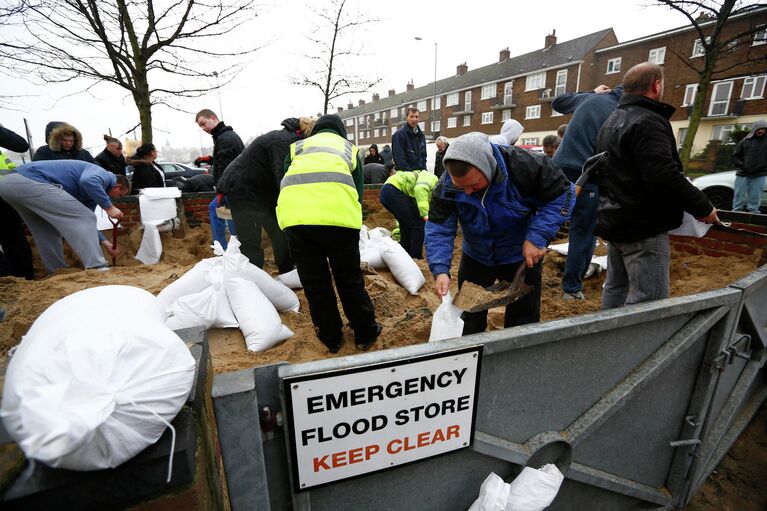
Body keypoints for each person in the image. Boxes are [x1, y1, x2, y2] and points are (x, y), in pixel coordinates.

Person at [595, 63, 717, 310]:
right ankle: (639, 347)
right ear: (656, 85)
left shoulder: (612, 120)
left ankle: (606, 342)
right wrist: (702, 206)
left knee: (615, 287)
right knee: (648, 301)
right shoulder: (649, 121)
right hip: (643, 225)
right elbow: (663, 175)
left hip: (615, 219)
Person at [426, 132, 575, 335]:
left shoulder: (526, 167)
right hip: (476, 255)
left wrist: (537, 236)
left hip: (520, 254)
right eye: (462, 187)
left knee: (523, 319)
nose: (468, 192)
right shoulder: (446, 187)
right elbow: (440, 228)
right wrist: (440, 269)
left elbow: (563, 195)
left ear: (487, 168)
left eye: (473, 185)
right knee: (469, 316)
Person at [276, 114, 380, 353]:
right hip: (338, 221)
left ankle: (331, 337)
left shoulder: (297, 148)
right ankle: (365, 333)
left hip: (296, 221)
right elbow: (358, 192)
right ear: (341, 132)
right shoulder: (349, 149)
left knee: (315, 282)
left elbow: (286, 179)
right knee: (348, 278)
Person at [552, 83, 624, 301]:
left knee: (542, 219)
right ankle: (571, 289)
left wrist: (592, 92)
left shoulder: (590, 99)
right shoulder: (622, 112)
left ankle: (517, 272)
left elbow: (558, 102)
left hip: (557, 168)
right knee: (584, 232)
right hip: (588, 172)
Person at [217, 117, 314, 273]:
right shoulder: (284, 142)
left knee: (280, 231)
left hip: (261, 191)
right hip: (243, 189)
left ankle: (287, 270)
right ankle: (254, 279)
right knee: (250, 238)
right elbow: (282, 177)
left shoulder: (287, 138)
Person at [0, 160, 130, 274]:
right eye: (119, 194)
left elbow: (84, 225)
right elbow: (88, 181)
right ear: (118, 185)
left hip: (8, 185)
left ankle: (56, 272)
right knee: (86, 217)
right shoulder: (104, 175)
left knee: (46, 231)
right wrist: (109, 207)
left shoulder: (90, 196)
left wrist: (105, 242)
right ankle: (98, 268)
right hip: (29, 181)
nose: (115, 198)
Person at [195, 109, 244, 249]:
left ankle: (222, 247)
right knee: (228, 214)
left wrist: (222, 191)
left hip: (230, 188)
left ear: (213, 118)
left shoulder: (225, 139)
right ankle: (235, 246)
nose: (203, 128)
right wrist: (210, 159)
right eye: (201, 127)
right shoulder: (224, 136)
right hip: (234, 187)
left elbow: (226, 167)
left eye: (203, 124)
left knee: (218, 210)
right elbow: (226, 159)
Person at [0, 124, 34, 279]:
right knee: (14, 239)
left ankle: (22, 281)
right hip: (5, 193)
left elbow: (21, 145)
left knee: (14, 239)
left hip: (5, 194)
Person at [380, 170, 438, 258]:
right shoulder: (432, 179)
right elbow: (420, 189)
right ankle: (416, 256)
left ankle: (405, 253)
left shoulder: (431, 192)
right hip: (393, 190)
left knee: (406, 225)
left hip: (387, 192)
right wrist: (425, 214)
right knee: (418, 224)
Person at [731, 120, 767, 213]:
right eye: (760, 129)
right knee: (739, 195)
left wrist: (763, 167)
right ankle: (736, 212)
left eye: (764, 129)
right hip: (742, 173)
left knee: (755, 196)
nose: (762, 131)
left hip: (760, 174)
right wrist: (742, 165)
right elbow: (735, 156)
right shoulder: (745, 141)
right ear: (755, 129)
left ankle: (753, 213)